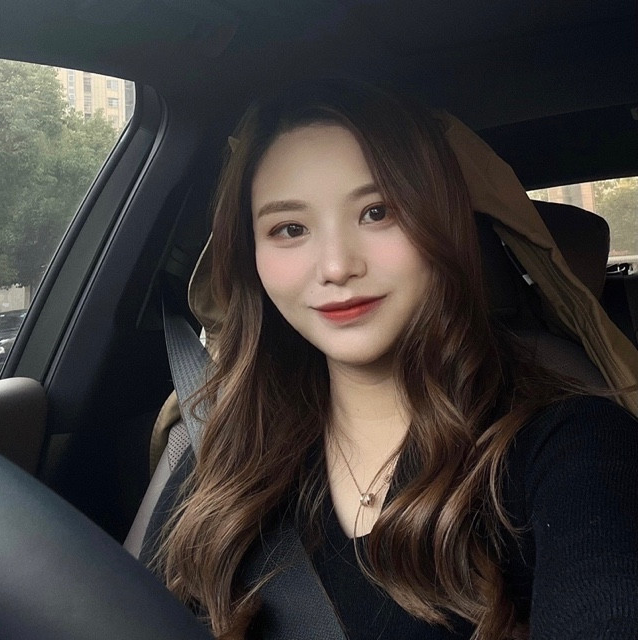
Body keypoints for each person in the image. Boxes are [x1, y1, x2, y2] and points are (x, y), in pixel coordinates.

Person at [150, 79, 638, 639]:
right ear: (252, 255)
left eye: (378, 212)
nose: (337, 266)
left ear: (442, 224)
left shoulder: (570, 446)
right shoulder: (223, 454)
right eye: (290, 228)